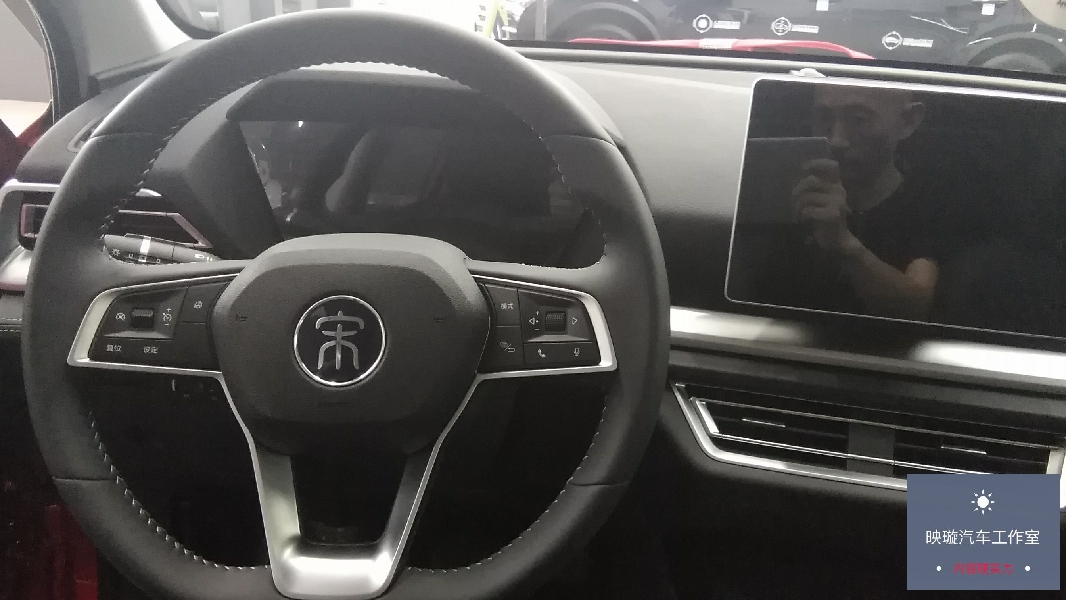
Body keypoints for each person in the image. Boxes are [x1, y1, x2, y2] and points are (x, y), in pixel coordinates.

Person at [784, 84, 938, 320]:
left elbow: (915, 308)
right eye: (824, 118)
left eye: (859, 120)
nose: (836, 140)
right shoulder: (790, 191)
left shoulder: (932, 206)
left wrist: (843, 243)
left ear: (907, 121)